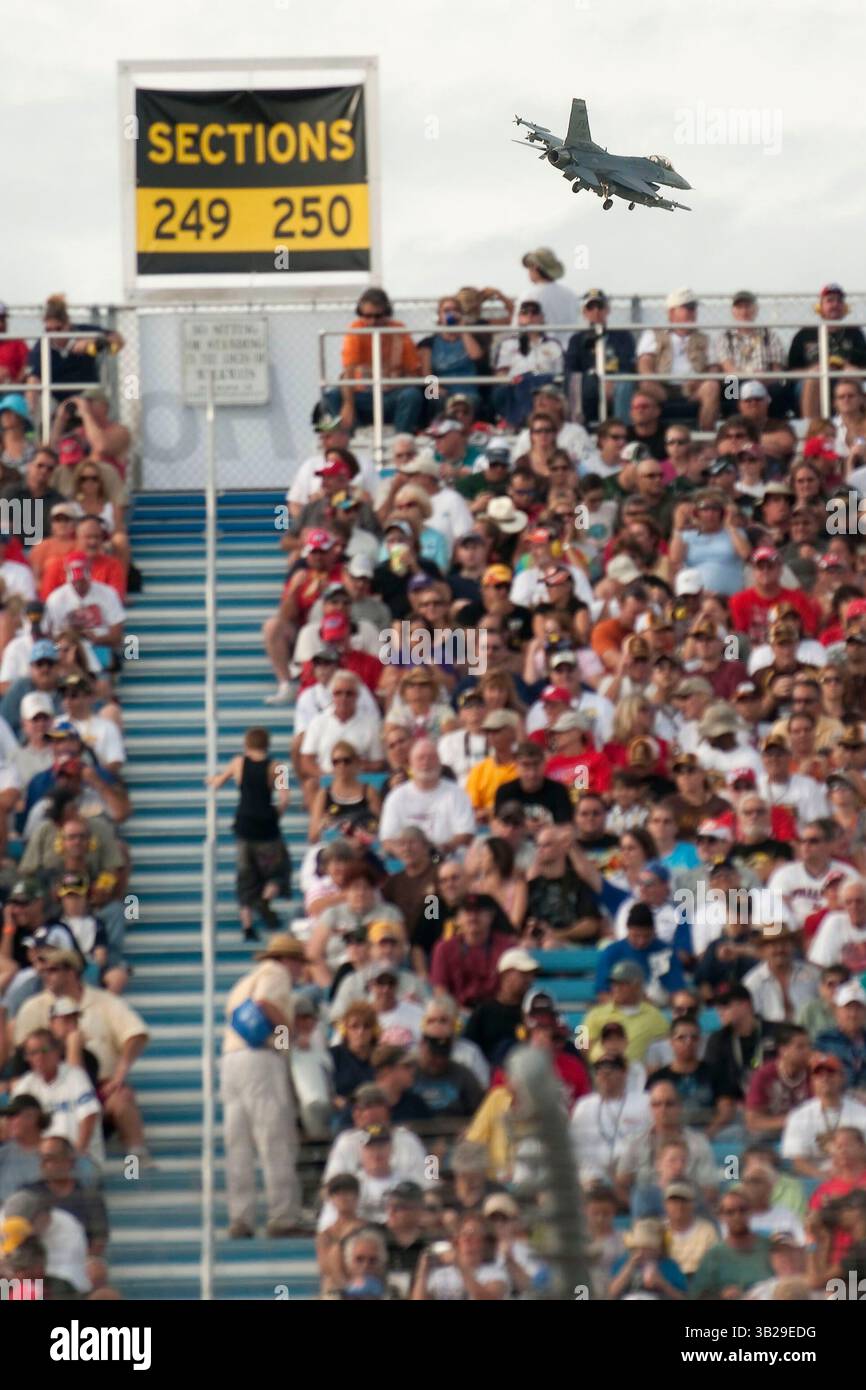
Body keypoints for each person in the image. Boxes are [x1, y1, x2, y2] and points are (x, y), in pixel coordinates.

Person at [220, 934, 307, 1238]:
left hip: (232, 1059)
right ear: (288, 960)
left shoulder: (243, 981)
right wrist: (286, 1039)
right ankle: (283, 1216)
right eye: (299, 963)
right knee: (274, 1137)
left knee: (238, 1143)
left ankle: (240, 1218)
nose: (300, 972)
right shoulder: (276, 974)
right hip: (260, 1058)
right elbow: (266, 1003)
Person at [208, 727, 291, 941]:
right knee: (277, 870)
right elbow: (284, 799)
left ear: (247, 744)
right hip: (267, 827)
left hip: (244, 824)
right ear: (268, 744)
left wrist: (211, 780)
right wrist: (276, 815)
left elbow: (219, 782)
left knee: (245, 877)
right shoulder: (278, 767)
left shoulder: (238, 763)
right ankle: (265, 898)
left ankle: (247, 926)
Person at [323, 289, 423, 434]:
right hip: (364, 396)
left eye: (378, 316)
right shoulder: (356, 330)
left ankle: (401, 441)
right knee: (332, 396)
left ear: (387, 313)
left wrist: (396, 382)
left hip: (391, 396)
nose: (372, 322)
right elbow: (348, 372)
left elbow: (415, 372)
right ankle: (350, 440)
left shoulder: (400, 331)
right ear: (360, 314)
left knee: (414, 395)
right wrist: (348, 405)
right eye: (367, 316)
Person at [12, 1028, 103, 1167]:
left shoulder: (75, 1076)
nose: (39, 1057)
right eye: (33, 1053)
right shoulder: (25, 1085)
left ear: (57, 1051)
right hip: (41, 1162)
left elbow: (89, 1116)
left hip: (79, 1158)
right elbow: (17, 1126)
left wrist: (75, 1155)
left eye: (45, 1050)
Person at [378, 740, 476, 856]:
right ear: (410, 764)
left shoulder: (457, 794)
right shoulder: (396, 797)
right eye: (421, 758)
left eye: (431, 757)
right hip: (408, 863)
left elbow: (466, 834)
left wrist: (437, 852)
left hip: (447, 860)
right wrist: (408, 854)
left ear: (440, 762)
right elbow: (387, 840)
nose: (426, 762)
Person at [569, 1055, 652, 1185]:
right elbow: (577, 1150)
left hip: (632, 1176)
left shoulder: (643, 1102)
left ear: (624, 1073)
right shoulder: (584, 1106)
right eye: (600, 1072)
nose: (604, 1076)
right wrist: (589, 1176)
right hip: (593, 1179)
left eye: (610, 1071)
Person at [781, 1053, 866, 1178]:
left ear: (842, 1078)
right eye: (818, 1074)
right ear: (812, 1081)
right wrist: (824, 1177)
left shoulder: (861, 1112)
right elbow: (798, 1161)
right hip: (814, 1178)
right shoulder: (798, 1116)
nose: (825, 1078)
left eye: (831, 1073)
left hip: (856, 1177)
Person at [690, 1187, 773, 1299]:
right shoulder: (714, 1256)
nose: (737, 1216)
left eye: (742, 1210)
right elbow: (697, 1295)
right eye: (730, 1212)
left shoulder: (769, 1248)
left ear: (751, 1211)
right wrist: (721, 1295)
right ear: (721, 1216)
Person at [411, 1211, 508, 1300]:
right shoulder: (441, 1273)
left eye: (474, 1234)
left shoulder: (494, 1273)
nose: (467, 1239)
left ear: (486, 1242)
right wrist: (423, 1272)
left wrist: (460, 1265)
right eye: (464, 1234)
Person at [607, 1218, 687, 1300]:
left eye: (648, 1247)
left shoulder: (670, 1266)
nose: (642, 1251)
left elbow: (682, 1297)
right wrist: (630, 1266)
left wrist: (662, 1283)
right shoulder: (623, 1262)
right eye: (638, 1247)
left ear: (660, 1248)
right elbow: (611, 1293)